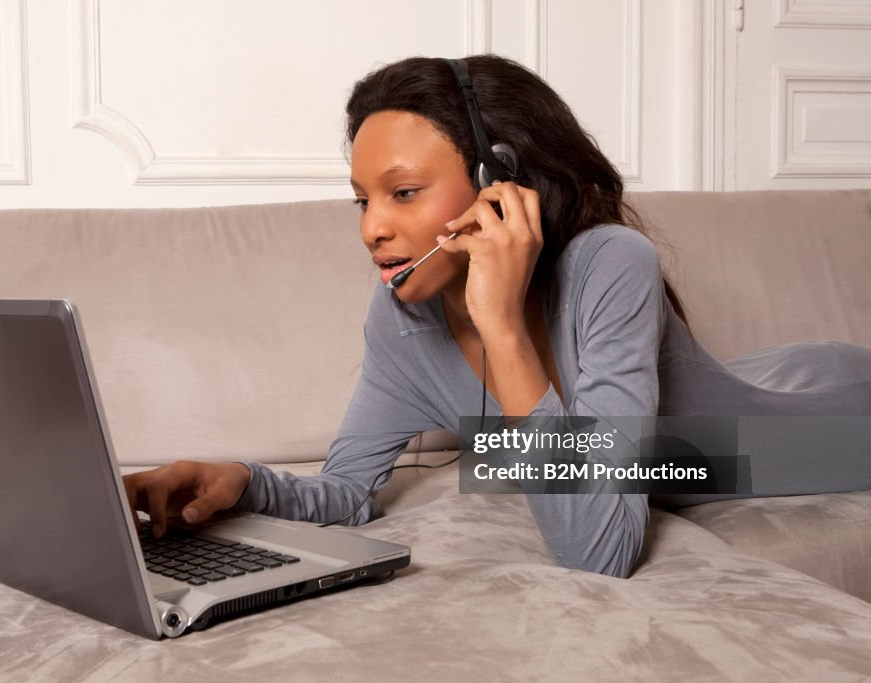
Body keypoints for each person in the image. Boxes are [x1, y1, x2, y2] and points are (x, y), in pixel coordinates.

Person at [124, 55, 871, 579]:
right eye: (362, 199)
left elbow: (599, 550)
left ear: (498, 186)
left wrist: (503, 324)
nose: (371, 229)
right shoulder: (401, 320)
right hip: (756, 378)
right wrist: (238, 480)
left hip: (822, 420)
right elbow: (349, 493)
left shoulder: (611, 264)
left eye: (404, 192)